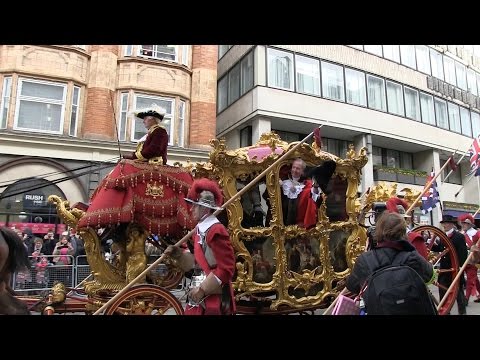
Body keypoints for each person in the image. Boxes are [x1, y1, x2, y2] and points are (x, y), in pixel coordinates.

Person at [164, 178, 236, 315]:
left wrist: (203, 289)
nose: (191, 209)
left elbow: (226, 269)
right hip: (198, 292)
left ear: (205, 207)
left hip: (213, 295)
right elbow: (198, 264)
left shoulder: (216, 230)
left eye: (195, 205)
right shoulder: (199, 229)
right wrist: (178, 254)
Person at [346, 211, 435, 296]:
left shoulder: (365, 260)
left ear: (378, 231)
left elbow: (352, 286)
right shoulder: (412, 257)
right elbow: (430, 277)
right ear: (403, 232)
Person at [280, 158, 336, 229]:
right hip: (285, 216)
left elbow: (315, 196)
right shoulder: (284, 181)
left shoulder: (308, 183)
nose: (294, 170)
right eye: (293, 167)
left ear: (302, 171)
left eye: (298, 168)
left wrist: (315, 188)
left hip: (301, 220)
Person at [431, 214, 468, 315]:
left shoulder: (459, 237)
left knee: (459, 296)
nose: (445, 225)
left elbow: (463, 254)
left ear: (452, 224)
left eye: (447, 223)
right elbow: (440, 249)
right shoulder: (443, 236)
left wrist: (460, 268)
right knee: (443, 296)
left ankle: (462, 313)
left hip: (455, 270)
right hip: (444, 270)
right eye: (444, 223)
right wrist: (430, 245)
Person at [457, 213, 480, 304]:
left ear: (470, 224)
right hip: (463, 260)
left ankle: (466, 299)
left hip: (473, 260)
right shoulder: (461, 234)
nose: (464, 225)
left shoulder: (476, 233)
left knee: (470, 279)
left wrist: (475, 248)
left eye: (466, 223)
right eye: (463, 223)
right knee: (475, 280)